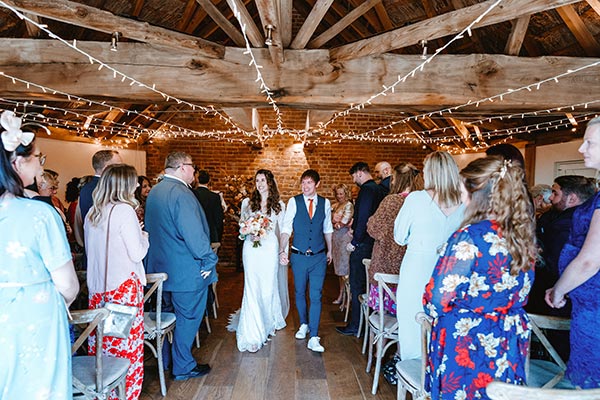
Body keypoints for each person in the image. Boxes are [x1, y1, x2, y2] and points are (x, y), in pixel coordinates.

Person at [423, 155, 537, 399]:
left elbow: (436, 300)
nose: (462, 198)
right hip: (508, 339)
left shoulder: (469, 237)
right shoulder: (521, 235)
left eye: (463, 191)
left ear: (477, 194)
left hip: (469, 340)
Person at [0, 110, 79, 399]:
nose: (41, 166)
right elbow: (68, 285)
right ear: (18, 162)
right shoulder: (39, 214)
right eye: (38, 158)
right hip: (36, 316)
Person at [145, 151, 218, 381]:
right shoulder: (181, 194)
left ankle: (166, 361)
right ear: (182, 167)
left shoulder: (155, 192)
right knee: (188, 317)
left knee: (166, 315)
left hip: (160, 270)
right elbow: (193, 234)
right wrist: (209, 258)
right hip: (185, 271)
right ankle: (183, 366)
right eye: (192, 167)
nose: (194, 172)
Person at [85, 164, 149, 400]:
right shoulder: (124, 211)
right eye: (134, 181)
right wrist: (144, 237)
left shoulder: (93, 212)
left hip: (98, 289)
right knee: (126, 346)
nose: (137, 185)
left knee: (103, 344)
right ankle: (126, 393)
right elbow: (137, 253)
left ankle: (104, 393)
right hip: (123, 289)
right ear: (125, 185)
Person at [546, 117, 600, 389]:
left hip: (596, 311)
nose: (581, 149)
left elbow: (591, 260)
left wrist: (558, 290)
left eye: (589, 142)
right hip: (587, 306)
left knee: (590, 386)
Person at [393, 151, 464, 360]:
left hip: (416, 271)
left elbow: (399, 236)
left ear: (430, 173)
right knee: (447, 327)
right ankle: (442, 377)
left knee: (413, 325)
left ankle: (417, 380)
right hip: (452, 273)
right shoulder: (465, 202)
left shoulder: (415, 200)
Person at [227, 169, 286, 352]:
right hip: (251, 250)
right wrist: (248, 234)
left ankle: (269, 320)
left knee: (268, 285)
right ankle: (253, 328)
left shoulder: (279, 205)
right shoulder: (247, 203)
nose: (260, 184)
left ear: (270, 183)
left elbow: (283, 230)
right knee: (252, 286)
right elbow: (242, 227)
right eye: (257, 180)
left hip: (269, 248)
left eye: (263, 180)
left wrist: (283, 251)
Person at [280, 169, 333, 353]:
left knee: (316, 295)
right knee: (299, 291)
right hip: (298, 256)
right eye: (303, 182)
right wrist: (282, 249)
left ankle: (315, 336)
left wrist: (330, 250)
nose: (305, 186)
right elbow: (286, 228)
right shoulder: (294, 202)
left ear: (317, 184)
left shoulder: (325, 203)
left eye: (309, 183)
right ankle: (304, 324)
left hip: (318, 256)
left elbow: (327, 228)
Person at [336, 162, 386, 336]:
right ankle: (367, 324)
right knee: (368, 286)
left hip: (363, 244)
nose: (353, 180)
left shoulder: (366, 190)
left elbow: (363, 216)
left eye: (353, 176)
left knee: (357, 286)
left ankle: (356, 325)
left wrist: (355, 241)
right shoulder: (380, 189)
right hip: (374, 244)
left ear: (359, 173)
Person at [366, 162, 423, 315]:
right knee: (406, 315)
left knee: (382, 317)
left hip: (386, 266)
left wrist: (371, 220)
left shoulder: (392, 201)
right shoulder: (422, 202)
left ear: (398, 180)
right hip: (411, 269)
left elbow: (374, 229)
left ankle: (381, 339)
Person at [74, 149, 122, 247]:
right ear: (107, 168)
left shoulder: (86, 187)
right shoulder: (105, 188)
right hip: (105, 247)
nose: (122, 170)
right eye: (119, 166)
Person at [330, 183, 354, 304]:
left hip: (344, 238)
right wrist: (335, 221)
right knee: (338, 268)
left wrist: (336, 222)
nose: (339, 196)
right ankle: (341, 294)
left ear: (346, 193)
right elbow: (329, 220)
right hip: (336, 238)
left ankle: (347, 296)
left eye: (341, 193)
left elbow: (344, 221)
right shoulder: (336, 205)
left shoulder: (349, 205)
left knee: (345, 268)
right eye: (338, 194)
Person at [192, 169, 224, 249]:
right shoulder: (215, 197)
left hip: (194, 235)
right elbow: (218, 220)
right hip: (211, 236)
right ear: (209, 180)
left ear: (197, 179)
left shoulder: (191, 194)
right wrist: (218, 238)